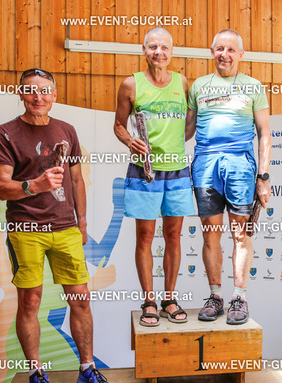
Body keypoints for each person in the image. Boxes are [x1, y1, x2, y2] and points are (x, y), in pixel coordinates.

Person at [0, 68, 114, 383]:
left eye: (45, 90)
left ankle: (87, 369)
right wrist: (35, 185)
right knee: (30, 301)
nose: (38, 97)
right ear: (21, 94)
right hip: (26, 229)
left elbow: (76, 180)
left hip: (65, 228)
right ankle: (37, 373)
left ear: (54, 95)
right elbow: (2, 188)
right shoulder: (5, 133)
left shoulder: (66, 130)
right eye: (31, 90)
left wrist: (82, 221)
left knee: (81, 299)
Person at [185, 29, 271, 325]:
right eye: (220, 49)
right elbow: (187, 131)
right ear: (212, 52)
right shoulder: (199, 85)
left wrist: (263, 176)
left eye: (231, 49)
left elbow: (265, 134)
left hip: (240, 166)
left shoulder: (253, 86)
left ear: (240, 54)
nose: (225, 54)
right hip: (205, 165)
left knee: (240, 234)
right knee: (210, 234)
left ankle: (239, 298)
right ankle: (215, 296)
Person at [114, 28, 194, 326]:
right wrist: (130, 141)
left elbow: (190, 124)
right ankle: (149, 300)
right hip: (143, 171)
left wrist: (173, 145)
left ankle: (169, 299)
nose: (158, 52)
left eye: (164, 47)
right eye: (152, 47)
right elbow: (118, 125)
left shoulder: (182, 82)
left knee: (173, 235)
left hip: (177, 171)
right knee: (145, 236)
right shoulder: (130, 84)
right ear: (144, 50)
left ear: (172, 51)